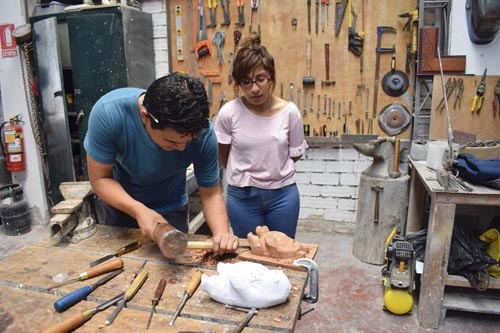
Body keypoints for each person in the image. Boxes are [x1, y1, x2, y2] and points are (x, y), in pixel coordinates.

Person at [83, 72, 239, 255]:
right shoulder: (110, 114)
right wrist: (138, 209)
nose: (181, 149)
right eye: (171, 141)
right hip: (122, 205)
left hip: (172, 208)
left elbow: (211, 193)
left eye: (187, 141)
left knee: (176, 267)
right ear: (145, 117)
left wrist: (221, 234)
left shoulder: (204, 134)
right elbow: (100, 178)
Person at [214, 34, 308, 239]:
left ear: (271, 78)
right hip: (242, 197)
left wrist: (273, 169)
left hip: (283, 196)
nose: (254, 88)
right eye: (246, 82)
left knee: (282, 253)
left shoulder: (290, 112)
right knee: (249, 256)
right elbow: (224, 156)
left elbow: (294, 154)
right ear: (238, 83)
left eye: (260, 79)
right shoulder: (228, 113)